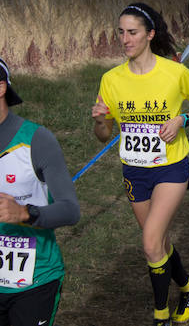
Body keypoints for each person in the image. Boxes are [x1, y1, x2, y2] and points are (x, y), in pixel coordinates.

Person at [91, 3, 189, 325]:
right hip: (134, 170)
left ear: (149, 35)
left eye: (132, 32)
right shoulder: (111, 80)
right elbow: (104, 134)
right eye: (121, 32)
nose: (125, 39)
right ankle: (188, 288)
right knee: (157, 241)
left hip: (171, 166)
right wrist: (101, 122)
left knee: (149, 242)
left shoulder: (174, 72)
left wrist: (182, 119)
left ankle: (160, 314)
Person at [0, 58, 80, 326]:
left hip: (33, 282)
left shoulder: (36, 140)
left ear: (1, 88)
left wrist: (24, 213)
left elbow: (70, 209)